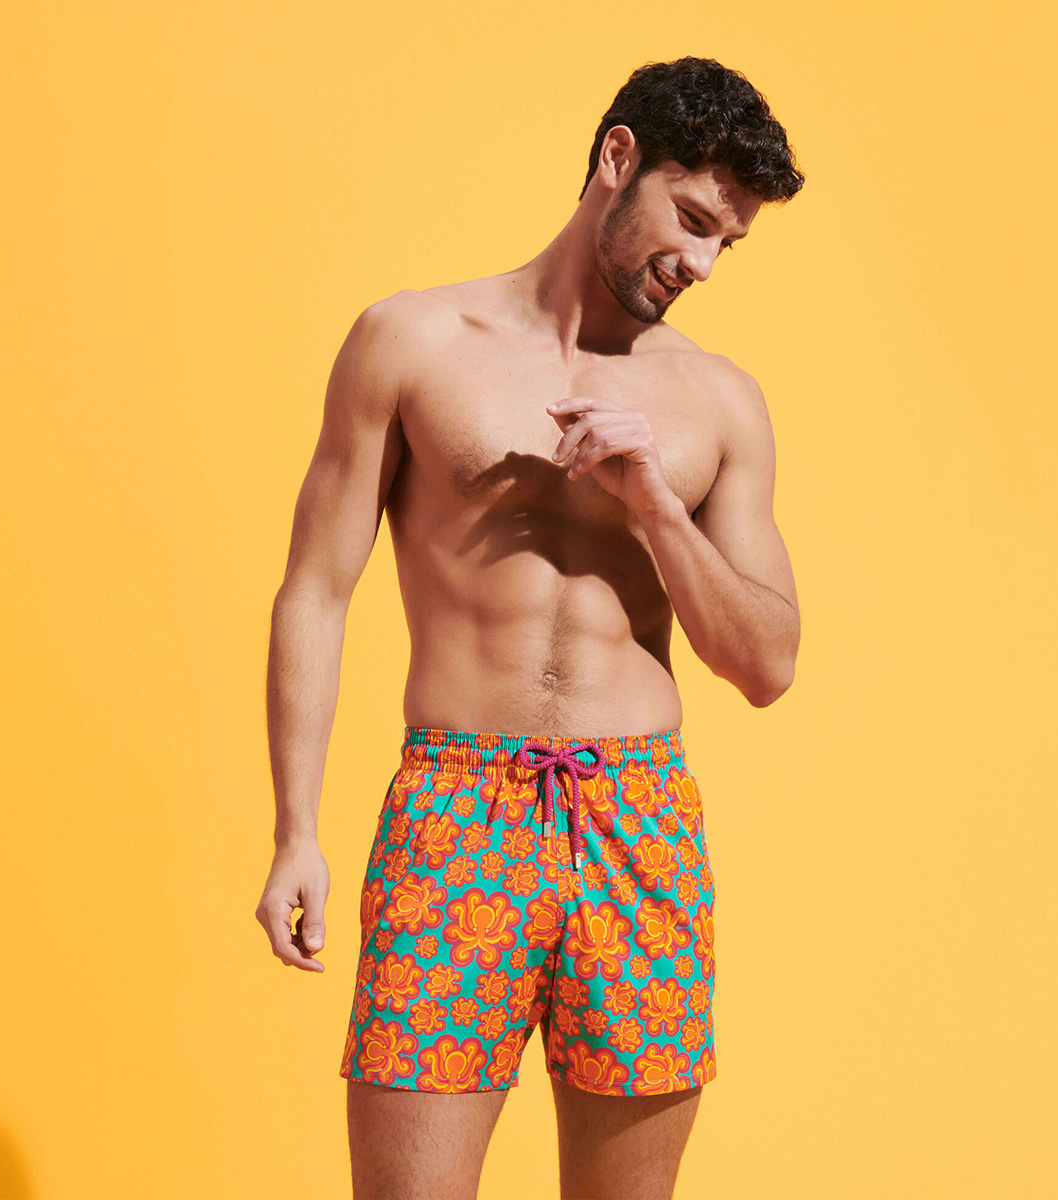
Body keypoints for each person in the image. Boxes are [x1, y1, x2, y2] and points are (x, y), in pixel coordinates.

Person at [255, 54, 804, 1200]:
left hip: (640, 821)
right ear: (617, 159)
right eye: (692, 220)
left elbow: (766, 662)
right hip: (455, 816)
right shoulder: (412, 343)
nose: (702, 264)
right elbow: (315, 588)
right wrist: (295, 827)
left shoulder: (719, 401)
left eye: (728, 244)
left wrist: (654, 504)